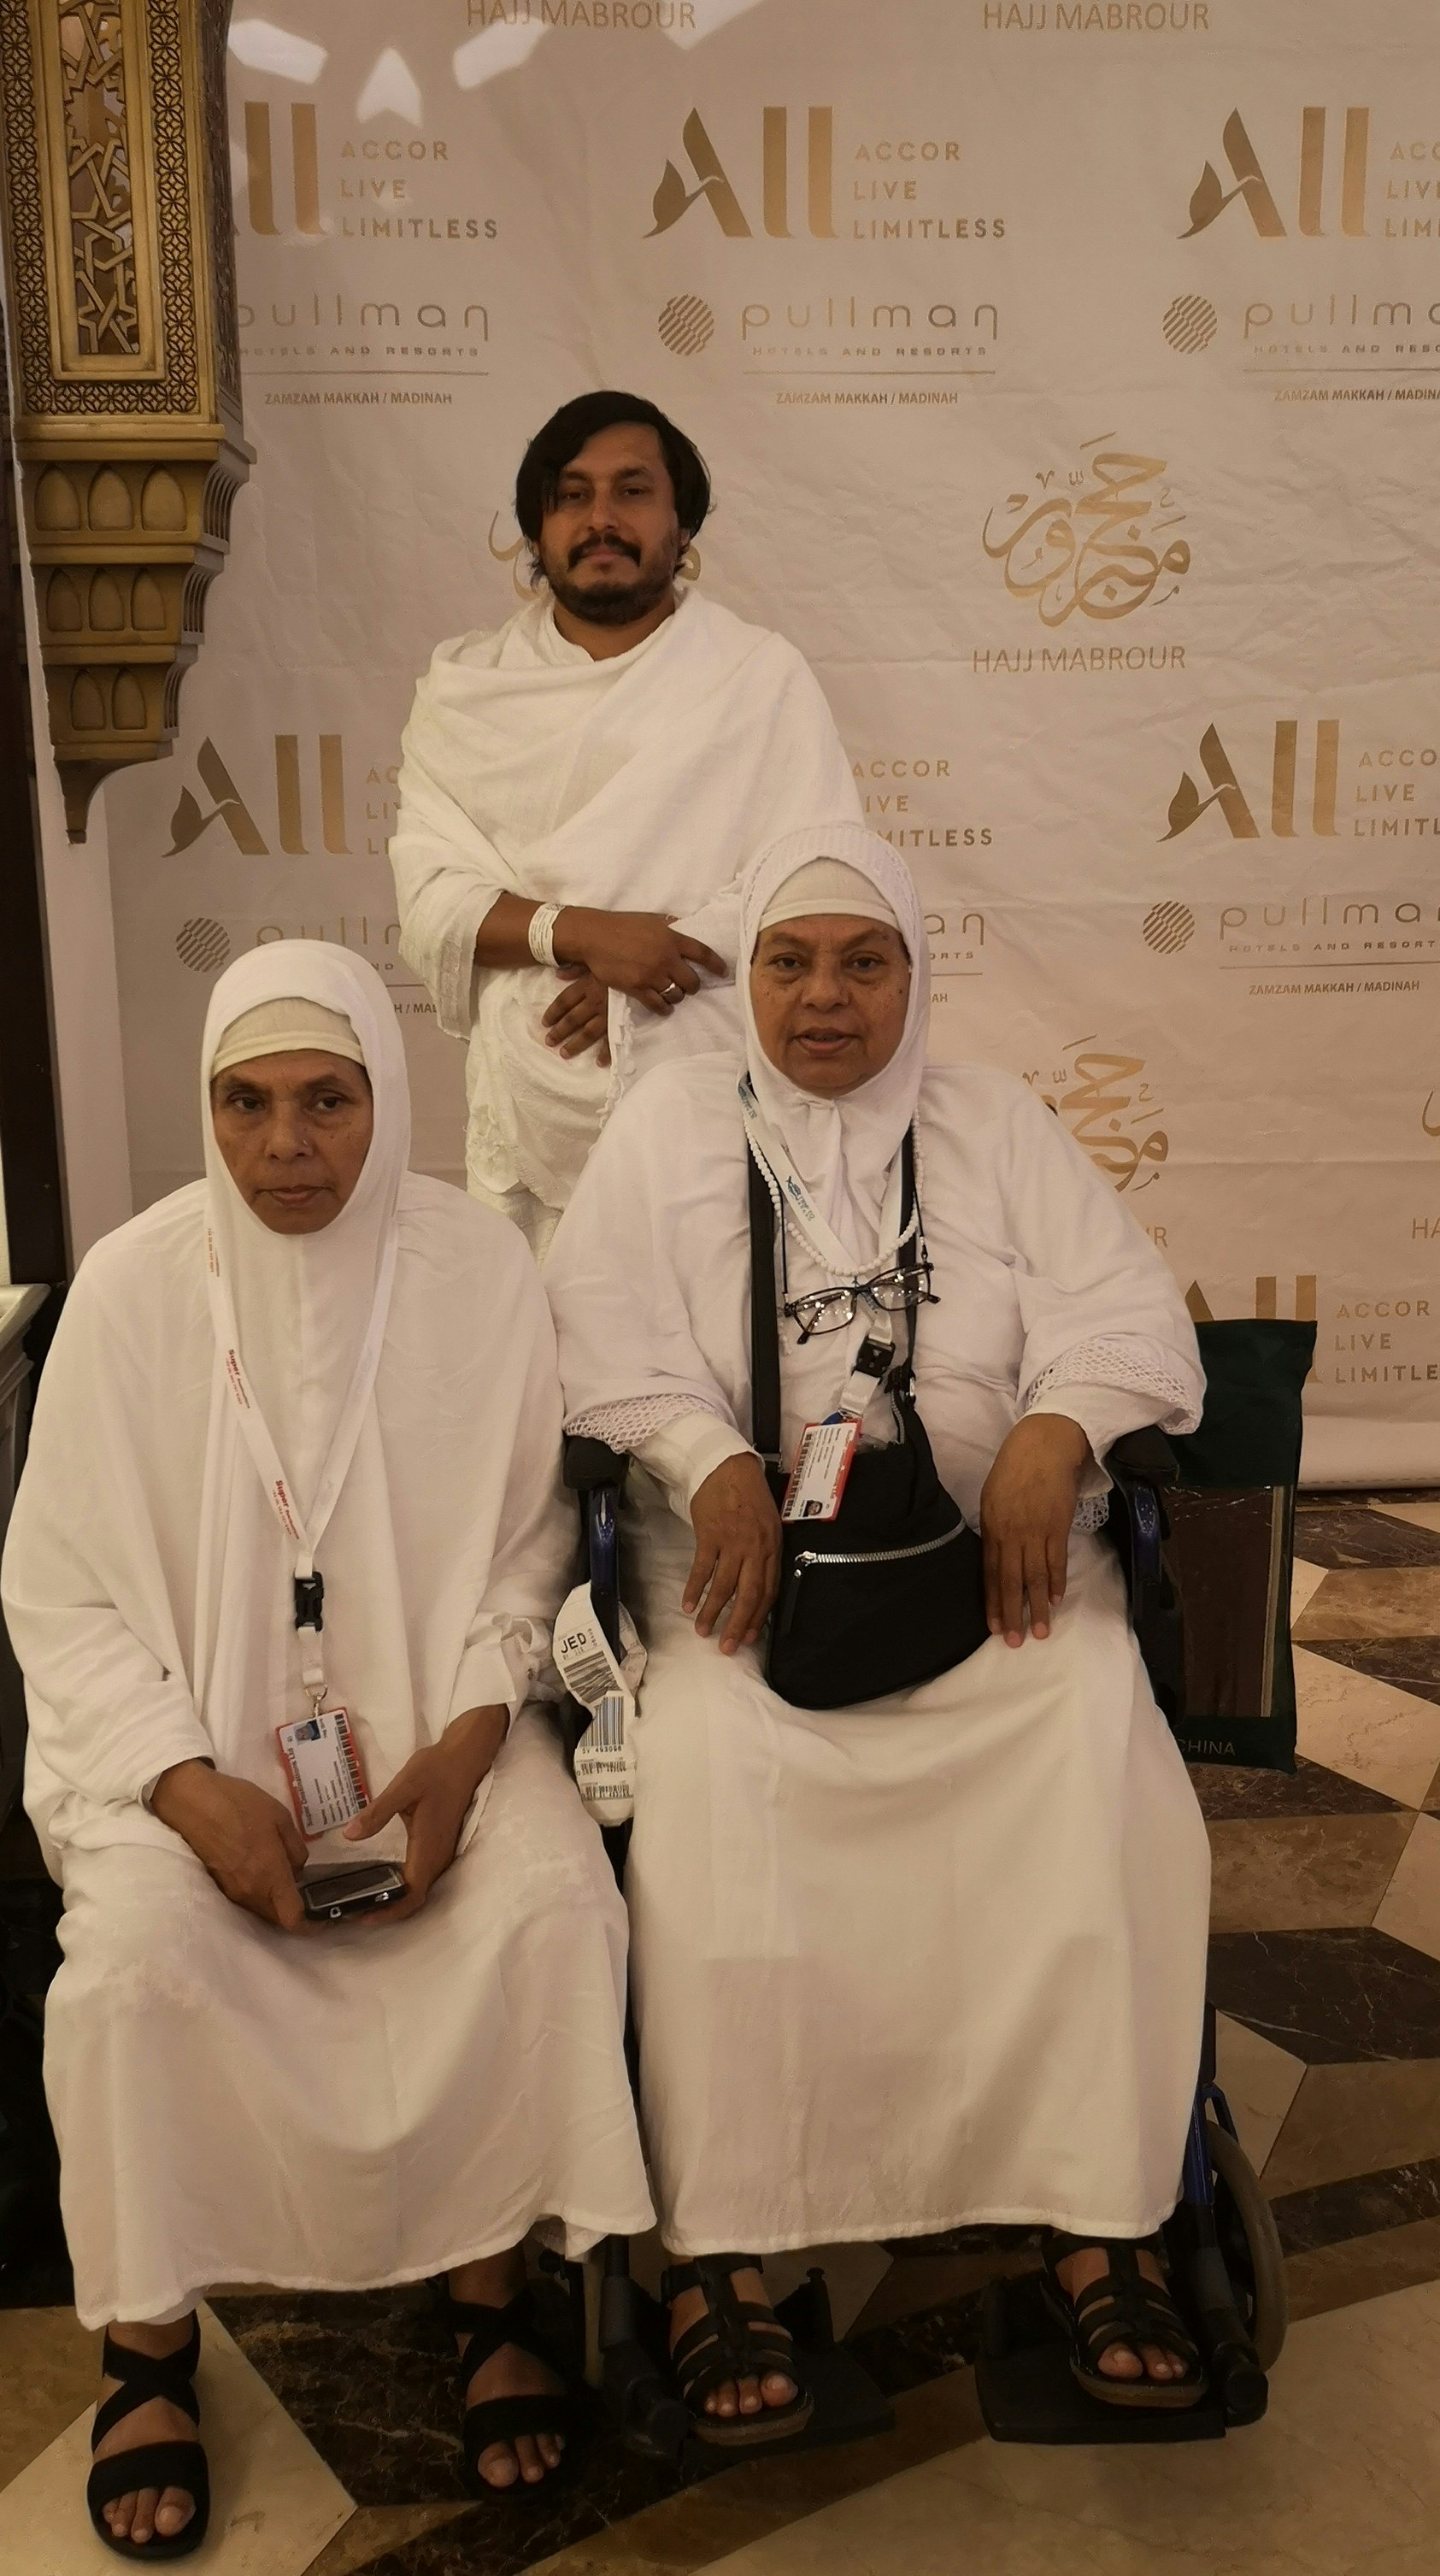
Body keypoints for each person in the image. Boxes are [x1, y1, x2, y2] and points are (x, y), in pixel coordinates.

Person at [544, 824, 1213, 2445]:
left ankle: (1095, 2210)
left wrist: (1060, 1426)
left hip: (982, 1573)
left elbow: (1133, 1316)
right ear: (750, 978)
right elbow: (593, 1337)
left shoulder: (993, 1124)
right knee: (707, 1765)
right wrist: (708, 1458)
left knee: (1087, 1717)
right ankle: (727, 2241)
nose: (825, 997)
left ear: (917, 975)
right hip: (744, 1596)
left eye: (865, 961)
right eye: (789, 960)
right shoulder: (664, 1130)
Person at [2, 943, 652, 2555]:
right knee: (125, 1972)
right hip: (190, 1765)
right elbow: (61, 1589)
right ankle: (147, 2331)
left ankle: (489, 2282)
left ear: (386, 1095)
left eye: (329, 1100)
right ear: (207, 1108)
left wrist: (465, 1742)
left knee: (552, 1908)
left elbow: (534, 1541)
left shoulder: (478, 1267)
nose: (289, 1143)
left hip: (445, 1740)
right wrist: (182, 1779)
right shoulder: (135, 1285)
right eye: (248, 1101)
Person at [390, 389, 861, 1254]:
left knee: (729, 1372)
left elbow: (815, 883)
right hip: (526, 1134)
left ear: (682, 527)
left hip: (721, 1126)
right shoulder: (464, 691)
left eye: (631, 491)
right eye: (571, 495)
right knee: (541, 1375)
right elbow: (429, 906)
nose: (599, 517)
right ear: (536, 530)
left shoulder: (757, 678)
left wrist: (651, 961)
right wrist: (579, 933)